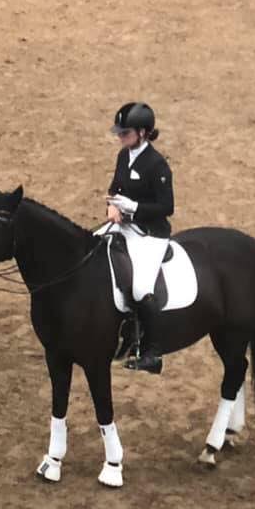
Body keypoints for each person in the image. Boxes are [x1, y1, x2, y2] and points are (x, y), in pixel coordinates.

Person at [105, 102, 174, 374]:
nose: (121, 137)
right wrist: (112, 207)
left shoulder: (157, 165)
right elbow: (114, 188)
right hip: (124, 227)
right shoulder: (124, 156)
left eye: (126, 133)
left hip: (151, 234)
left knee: (140, 287)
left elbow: (166, 207)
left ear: (143, 133)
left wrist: (133, 207)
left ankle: (153, 353)